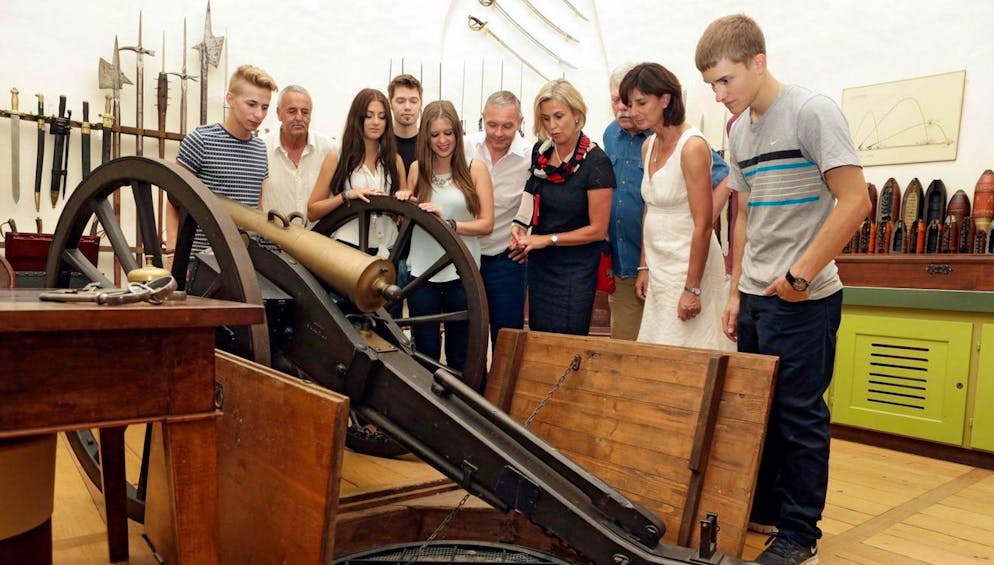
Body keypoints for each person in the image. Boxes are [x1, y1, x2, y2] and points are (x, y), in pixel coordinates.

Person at [696, 14, 870, 565]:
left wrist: (800, 276)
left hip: (804, 297)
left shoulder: (812, 111)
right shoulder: (738, 130)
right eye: (711, 85)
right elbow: (744, 214)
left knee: (799, 417)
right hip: (755, 295)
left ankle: (799, 536)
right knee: (761, 412)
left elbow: (856, 201)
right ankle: (768, 509)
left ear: (759, 61)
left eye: (726, 80)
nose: (719, 95)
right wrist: (735, 292)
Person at [605, 64, 732, 341]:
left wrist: (692, 288)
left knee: (686, 345)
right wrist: (644, 266)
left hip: (689, 266)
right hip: (658, 265)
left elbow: (703, 224)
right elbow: (649, 209)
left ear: (665, 99)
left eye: (641, 103)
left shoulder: (692, 147)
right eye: (629, 104)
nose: (633, 111)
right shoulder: (648, 145)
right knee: (656, 345)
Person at [510, 79, 615, 335]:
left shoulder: (596, 163)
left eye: (559, 116)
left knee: (568, 341)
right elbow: (531, 193)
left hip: (575, 270)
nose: (552, 126)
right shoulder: (541, 152)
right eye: (546, 119)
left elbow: (598, 230)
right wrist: (519, 228)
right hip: (541, 265)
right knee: (539, 336)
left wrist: (547, 239)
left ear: (577, 115)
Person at [396, 100, 494, 375]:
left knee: (460, 353)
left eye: (448, 133)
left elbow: (486, 224)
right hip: (422, 274)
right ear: (426, 137)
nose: (442, 140)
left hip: (461, 272)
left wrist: (449, 224)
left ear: (457, 133)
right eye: (435, 134)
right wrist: (403, 201)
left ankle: (461, 401)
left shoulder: (475, 169)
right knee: (424, 353)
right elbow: (408, 218)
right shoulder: (417, 169)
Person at [167, 64, 276, 256]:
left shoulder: (260, 149)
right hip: (200, 259)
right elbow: (174, 199)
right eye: (251, 104)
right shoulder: (201, 140)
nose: (259, 114)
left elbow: (256, 205)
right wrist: (173, 252)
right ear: (230, 99)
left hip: (244, 260)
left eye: (264, 107)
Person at [463, 91, 532, 348]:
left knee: (506, 338)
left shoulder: (531, 156)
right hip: (465, 256)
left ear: (520, 122)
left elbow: (542, 201)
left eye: (507, 126)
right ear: (482, 118)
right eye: (492, 124)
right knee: (468, 337)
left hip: (507, 260)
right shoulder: (464, 147)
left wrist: (529, 240)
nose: (498, 133)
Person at [307, 88, 405, 256]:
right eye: (369, 115)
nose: (376, 122)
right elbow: (313, 211)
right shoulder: (337, 156)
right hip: (348, 245)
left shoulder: (395, 160)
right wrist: (346, 195)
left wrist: (403, 201)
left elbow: (405, 208)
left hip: (389, 248)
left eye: (382, 117)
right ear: (357, 118)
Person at [260, 85, 336, 221]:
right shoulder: (260, 149)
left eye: (305, 112)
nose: (299, 117)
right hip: (272, 234)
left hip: (318, 234)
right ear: (278, 113)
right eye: (292, 111)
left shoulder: (329, 149)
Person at [389, 74, 423, 173]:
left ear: (421, 103)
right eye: (400, 101)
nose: (407, 107)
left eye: (413, 101)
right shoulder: (380, 144)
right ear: (390, 103)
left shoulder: (432, 144)